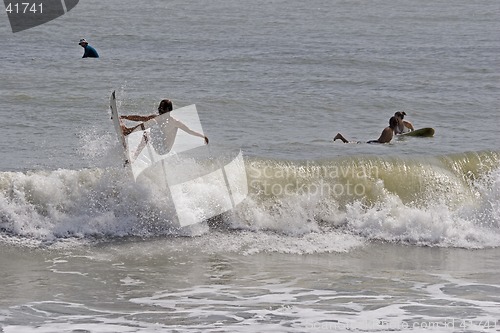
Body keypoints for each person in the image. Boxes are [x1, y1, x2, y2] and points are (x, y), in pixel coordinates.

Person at [120, 99, 209, 149]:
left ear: (169, 110)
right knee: (149, 121)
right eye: (159, 107)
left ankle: (128, 131)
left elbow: (189, 131)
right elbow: (140, 118)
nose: (160, 110)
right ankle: (129, 135)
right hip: (157, 144)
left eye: (162, 108)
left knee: (147, 132)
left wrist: (203, 136)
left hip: (164, 149)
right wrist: (124, 117)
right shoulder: (157, 118)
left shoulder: (174, 122)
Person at [334, 116, 399, 144]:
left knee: (353, 144)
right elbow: (381, 141)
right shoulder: (388, 130)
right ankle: (340, 137)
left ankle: (341, 137)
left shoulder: (391, 130)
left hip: (375, 143)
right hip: (373, 143)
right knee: (351, 144)